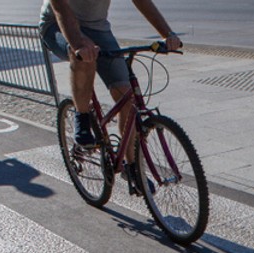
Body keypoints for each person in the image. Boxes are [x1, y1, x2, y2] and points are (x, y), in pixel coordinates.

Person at [40, 0, 182, 148]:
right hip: (55, 24)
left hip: (97, 27)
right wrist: (78, 43)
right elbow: (60, 7)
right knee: (84, 57)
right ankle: (82, 116)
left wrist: (168, 34)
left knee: (127, 98)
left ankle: (130, 166)